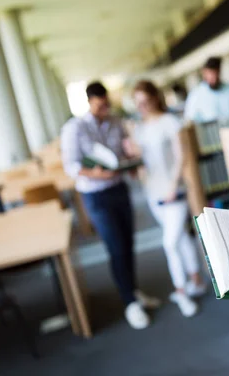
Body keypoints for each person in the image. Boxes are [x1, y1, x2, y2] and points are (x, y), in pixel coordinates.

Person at [61, 81, 159, 330]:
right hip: (96, 195)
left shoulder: (116, 122)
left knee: (127, 243)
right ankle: (129, 302)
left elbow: (124, 153)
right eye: (100, 105)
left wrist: (131, 159)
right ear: (90, 102)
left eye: (107, 103)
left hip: (119, 188)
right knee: (115, 246)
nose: (105, 108)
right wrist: (95, 174)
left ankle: (133, 292)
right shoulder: (75, 128)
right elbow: (71, 167)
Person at [131, 80, 207, 317]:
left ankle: (181, 291)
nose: (142, 106)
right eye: (138, 103)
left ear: (155, 98)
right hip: (152, 193)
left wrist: (174, 187)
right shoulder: (139, 129)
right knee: (181, 237)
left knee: (169, 243)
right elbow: (143, 163)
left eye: (145, 101)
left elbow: (181, 156)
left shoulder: (171, 122)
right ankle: (196, 278)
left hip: (174, 192)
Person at [183, 56, 229, 122]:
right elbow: (190, 120)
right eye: (210, 75)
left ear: (219, 72)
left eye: (215, 75)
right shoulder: (195, 95)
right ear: (204, 73)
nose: (213, 79)